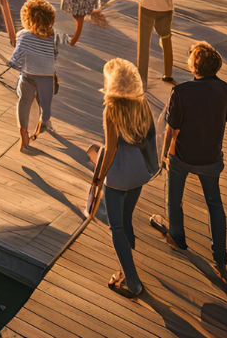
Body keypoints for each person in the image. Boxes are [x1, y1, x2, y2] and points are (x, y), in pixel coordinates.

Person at [151, 42, 227, 285]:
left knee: (173, 197)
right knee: (214, 204)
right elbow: (225, 116)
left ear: (194, 66)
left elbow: (171, 129)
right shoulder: (226, 89)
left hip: (183, 157)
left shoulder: (181, 92)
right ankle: (220, 256)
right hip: (211, 157)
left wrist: (164, 156)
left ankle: (177, 236)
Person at [86, 58, 158, 300]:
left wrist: (98, 178)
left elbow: (111, 148)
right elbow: (150, 137)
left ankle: (133, 282)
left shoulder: (111, 109)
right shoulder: (143, 105)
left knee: (115, 226)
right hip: (139, 172)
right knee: (127, 217)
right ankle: (130, 250)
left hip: (118, 177)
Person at [9, 0, 59, 150]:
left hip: (28, 75)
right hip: (46, 76)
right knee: (45, 103)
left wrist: (15, 64)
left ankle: (23, 133)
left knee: (24, 102)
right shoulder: (54, 37)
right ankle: (43, 123)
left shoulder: (23, 36)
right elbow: (55, 55)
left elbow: (15, 59)